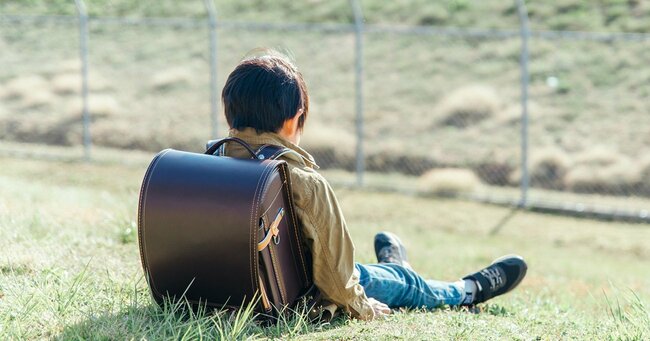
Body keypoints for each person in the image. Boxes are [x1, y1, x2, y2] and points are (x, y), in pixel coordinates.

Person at [220, 50, 528, 320]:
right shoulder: (303, 183)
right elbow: (338, 280)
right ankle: (468, 290)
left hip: (225, 294)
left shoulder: (208, 168)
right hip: (301, 297)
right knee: (402, 284)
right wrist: (363, 307)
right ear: (294, 119)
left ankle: (397, 266)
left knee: (388, 276)